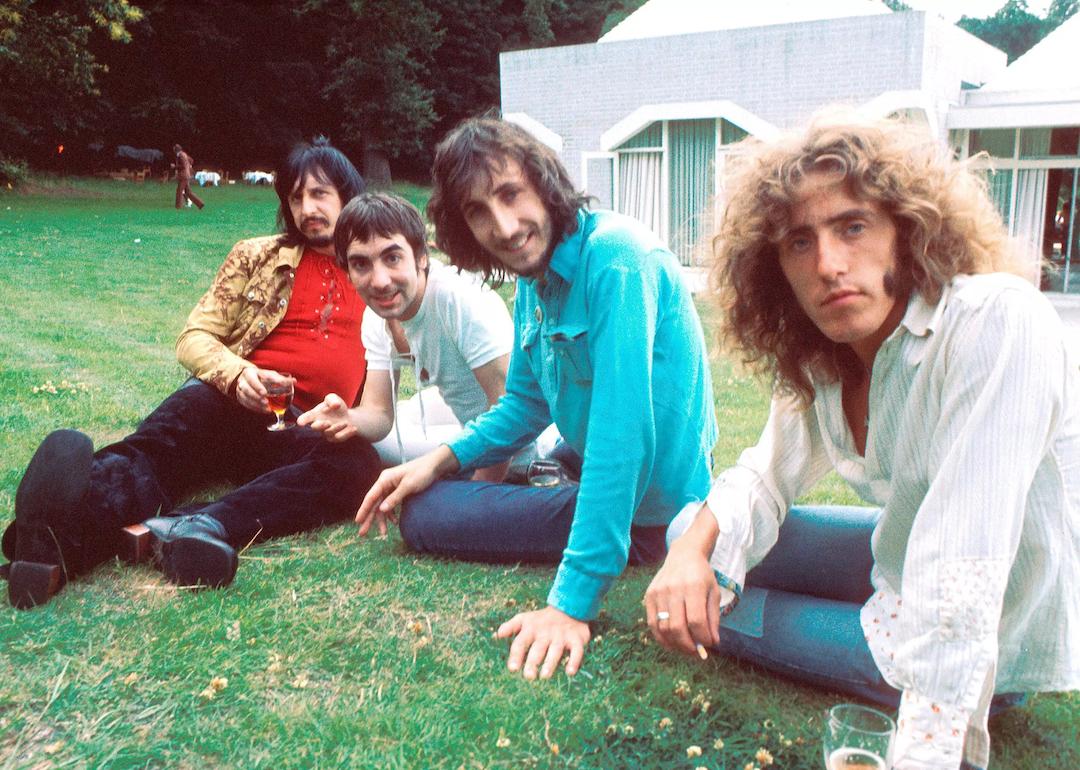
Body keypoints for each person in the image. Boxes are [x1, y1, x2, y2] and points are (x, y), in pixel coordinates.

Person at [645, 113, 1080, 770]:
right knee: (687, 532)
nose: (828, 264)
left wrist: (927, 754)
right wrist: (692, 557)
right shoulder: (828, 358)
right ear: (775, 269)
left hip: (988, 625)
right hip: (900, 562)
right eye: (798, 242)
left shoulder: (996, 323)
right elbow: (763, 475)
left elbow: (961, 577)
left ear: (907, 231)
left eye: (852, 226)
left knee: (724, 613)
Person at [356, 116, 718, 681]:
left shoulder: (618, 261)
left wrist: (571, 604)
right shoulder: (536, 282)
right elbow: (524, 406)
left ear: (545, 183)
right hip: (594, 466)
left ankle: (574, 507)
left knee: (425, 517)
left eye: (510, 194)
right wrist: (437, 460)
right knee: (433, 488)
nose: (503, 226)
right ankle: (552, 481)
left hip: (649, 512)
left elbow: (622, 439)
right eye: (478, 211)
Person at [3, 137, 381, 609]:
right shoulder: (257, 255)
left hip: (304, 426)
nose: (308, 208)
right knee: (154, 455)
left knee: (357, 465)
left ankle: (198, 524)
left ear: (348, 195)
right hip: (226, 402)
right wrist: (237, 373)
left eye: (320, 194)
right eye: (297, 196)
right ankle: (54, 538)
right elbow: (194, 336)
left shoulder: (376, 270)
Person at [297, 191, 515, 483]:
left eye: (393, 258)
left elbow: (510, 414)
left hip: (523, 446)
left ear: (421, 257)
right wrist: (350, 420)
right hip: (465, 416)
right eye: (361, 264)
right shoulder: (377, 315)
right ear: (347, 272)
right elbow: (379, 413)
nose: (380, 281)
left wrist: (478, 496)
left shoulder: (458, 299)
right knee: (376, 437)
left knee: (392, 460)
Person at [172, 143, 204, 210]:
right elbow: (191, 160)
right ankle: (200, 204)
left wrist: (175, 166)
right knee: (188, 192)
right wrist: (189, 166)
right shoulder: (184, 154)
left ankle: (178, 206)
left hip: (183, 176)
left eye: (174, 149)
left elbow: (183, 166)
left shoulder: (180, 155)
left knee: (179, 191)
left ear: (176, 150)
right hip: (186, 175)